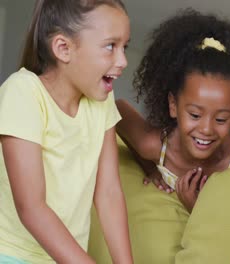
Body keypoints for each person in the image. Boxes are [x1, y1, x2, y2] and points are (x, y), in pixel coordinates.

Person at [0, 0, 133, 263]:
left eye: (124, 47)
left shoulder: (102, 100)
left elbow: (108, 192)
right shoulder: (23, 93)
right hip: (11, 253)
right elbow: (32, 208)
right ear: (63, 48)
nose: (123, 61)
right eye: (110, 46)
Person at [116, 9, 230, 212]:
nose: (206, 129)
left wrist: (195, 207)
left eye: (221, 119)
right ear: (173, 105)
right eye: (195, 115)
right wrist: (149, 167)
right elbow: (118, 109)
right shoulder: (154, 146)